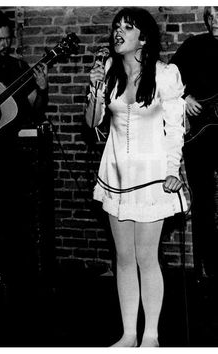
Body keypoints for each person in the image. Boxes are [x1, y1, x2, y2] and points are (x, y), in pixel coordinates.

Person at [85, 7, 187, 347]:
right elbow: (91, 123)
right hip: (115, 171)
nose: (119, 31)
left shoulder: (165, 74)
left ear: (142, 39)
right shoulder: (109, 71)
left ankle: (151, 337)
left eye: (127, 27)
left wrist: (173, 172)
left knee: (146, 256)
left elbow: (175, 129)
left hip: (151, 175)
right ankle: (129, 334)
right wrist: (95, 89)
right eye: (117, 26)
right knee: (124, 258)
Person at [0, 10, 48, 289]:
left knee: (12, 219)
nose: (5, 44)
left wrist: (42, 88)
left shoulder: (18, 69)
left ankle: (12, 278)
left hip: (9, 157)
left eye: (8, 38)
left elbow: (35, 108)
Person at [170, 6, 218, 287]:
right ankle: (205, 270)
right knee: (202, 203)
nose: (214, 21)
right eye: (210, 16)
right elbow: (167, 79)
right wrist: (184, 97)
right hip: (199, 137)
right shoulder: (194, 45)